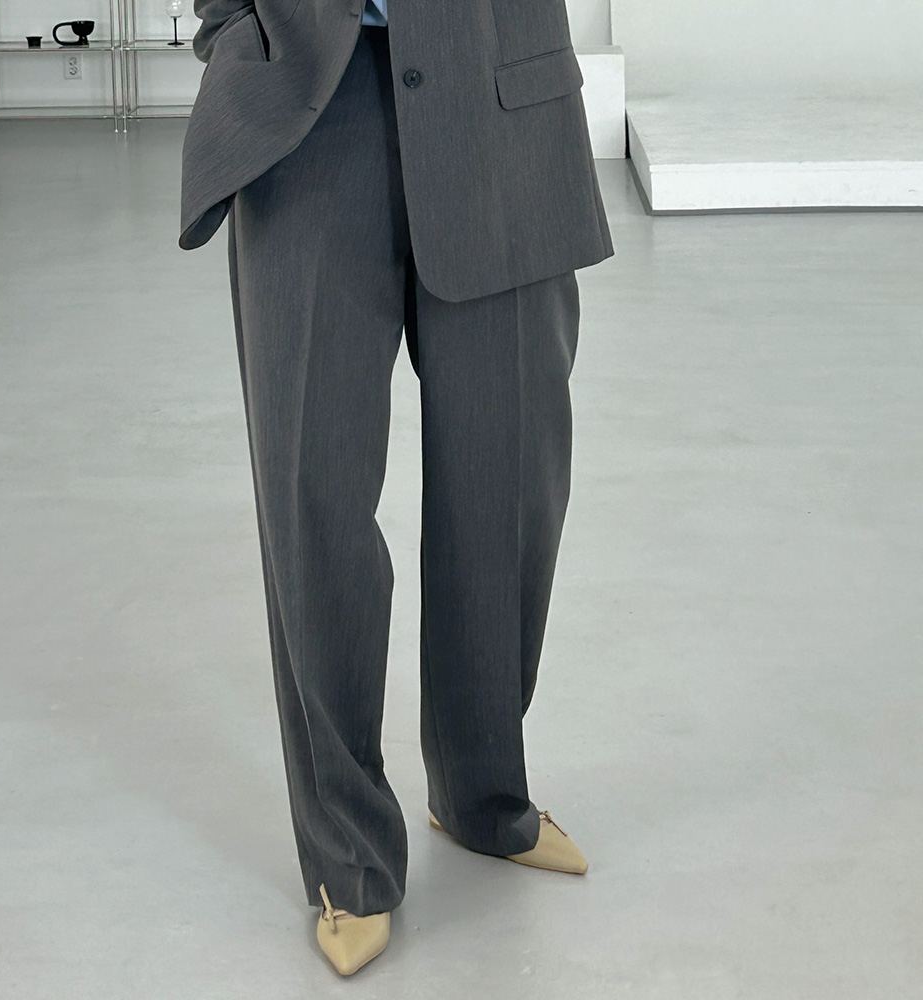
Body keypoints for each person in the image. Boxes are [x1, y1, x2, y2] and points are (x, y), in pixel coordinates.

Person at [180, 0, 614, 976]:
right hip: (307, 107)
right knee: (314, 497)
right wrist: (235, 28)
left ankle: (482, 793)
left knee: (509, 479)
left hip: (500, 103)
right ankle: (347, 853)